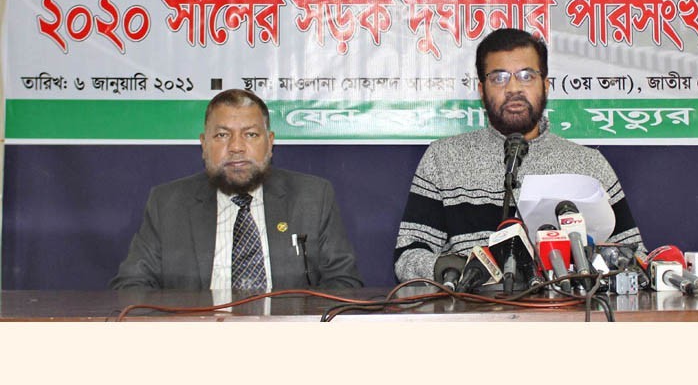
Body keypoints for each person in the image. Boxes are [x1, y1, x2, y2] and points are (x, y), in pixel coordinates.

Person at [394, 28, 644, 281]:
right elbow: (409, 256)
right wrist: (469, 271)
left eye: (526, 76)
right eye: (499, 78)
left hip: (568, 313)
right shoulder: (443, 159)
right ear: (481, 90)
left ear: (545, 85)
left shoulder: (589, 165)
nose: (513, 88)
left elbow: (633, 257)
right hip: (472, 313)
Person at [111, 89, 363, 290]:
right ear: (204, 144)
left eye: (251, 135)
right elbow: (132, 285)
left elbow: (344, 283)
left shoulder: (312, 198)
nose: (236, 147)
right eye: (222, 135)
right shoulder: (168, 203)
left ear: (270, 142)